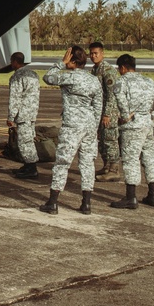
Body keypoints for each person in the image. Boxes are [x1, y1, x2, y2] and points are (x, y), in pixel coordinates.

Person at [39, 45, 102, 215]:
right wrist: (94, 126)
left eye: (68, 58)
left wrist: (60, 63)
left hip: (72, 125)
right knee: (88, 163)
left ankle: (53, 202)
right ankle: (86, 203)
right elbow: (98, 105)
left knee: (62, 162)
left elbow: (48, 77)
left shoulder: (70, 77)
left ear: (73, 61)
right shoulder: (93, 80)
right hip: (89, 125)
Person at [110, 54, 154, 210]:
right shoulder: (148, 81)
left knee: (130, 160)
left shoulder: (121, 82)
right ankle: (153, 194)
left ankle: (131, 197)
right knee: (150, 157)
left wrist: (124, 117)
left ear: (122, 68)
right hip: (147, 125)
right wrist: (152, 115)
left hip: (132, 126)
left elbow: (120, 100)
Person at [89, 42, 122, 182]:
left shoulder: (108, 71)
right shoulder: (95, 70)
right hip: (98, 111)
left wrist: (107, 114)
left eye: (96, 53)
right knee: (102, 141)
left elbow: (111, 94)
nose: (93, 56)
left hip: (109, 113)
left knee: (110, 140)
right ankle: (106, 166)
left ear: (102, 54)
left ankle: (114, 169)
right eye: (91, 53)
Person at [6, 51, 41, 179]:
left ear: (15, 62)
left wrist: (11, 117)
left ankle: (31, 168)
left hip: (23, 114)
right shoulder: (33, 74)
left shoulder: (17, 77)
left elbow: (14, 98)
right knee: (29, 139)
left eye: (12, 61)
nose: (11, 64)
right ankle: (28, 165)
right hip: (32, 113)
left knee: (24, 142)